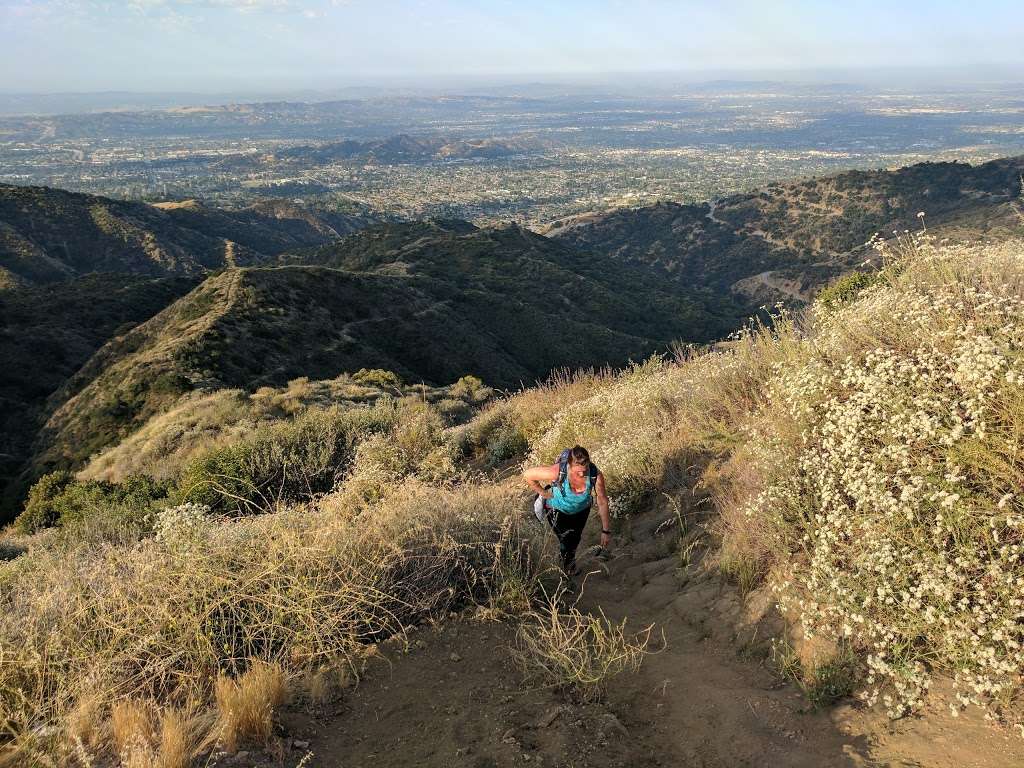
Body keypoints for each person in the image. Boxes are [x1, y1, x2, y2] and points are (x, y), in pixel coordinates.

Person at [522, 446, 611, 575]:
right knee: (565, 540)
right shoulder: (557, 471)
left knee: (575, 538)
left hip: (582, 511)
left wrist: (606, 531)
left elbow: (602, 501)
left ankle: (568, 561)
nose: (582, 474)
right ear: (569, 465)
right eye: (577, 472)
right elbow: (528, 475)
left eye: (584, 470)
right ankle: (568, 568)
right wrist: (543, 492)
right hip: (556, 509)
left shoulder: (594, 474)